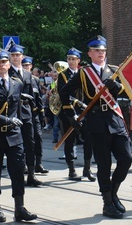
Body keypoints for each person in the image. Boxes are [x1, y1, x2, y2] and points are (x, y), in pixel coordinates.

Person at [59, 35, 132, 219]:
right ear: (89, 53)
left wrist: (117, 87)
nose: (101, 53)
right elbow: (64, 92)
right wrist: (71, 115)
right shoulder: (83, 74)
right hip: (96, 122)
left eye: (103, 50)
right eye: (97, 50)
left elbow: (129, 90)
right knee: (104, 165)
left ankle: (113, 192)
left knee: (126, 159)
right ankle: (107, 202)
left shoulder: (114, 71)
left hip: (115, 120)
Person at [0, 49, 37, 222]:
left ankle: (20, 207)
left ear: (9, 64)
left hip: (14, 136)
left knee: (17, 172)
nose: (2, 65)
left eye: (4, 62)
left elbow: (17, 108)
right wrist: (6, 120)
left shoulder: (16, 83)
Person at [56, 48, 95, 181]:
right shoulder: (63, 75)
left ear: (78, 60)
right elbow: (63, 93)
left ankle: (87, 169)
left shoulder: (84, 73)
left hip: (85, 112)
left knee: (88, 140)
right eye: (69, 59)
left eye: (73, 59)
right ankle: (71, 170)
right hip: (69, 112)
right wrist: (75, 107)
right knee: (70, 141)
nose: (71, 61)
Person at [7, 43, 42, 187]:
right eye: (13, 55)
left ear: (22, 56)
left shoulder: (28, 74)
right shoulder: (7, 73)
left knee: (30, 143)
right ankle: (18, 174)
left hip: (27, 113)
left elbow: (34, 96)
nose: (15, 58)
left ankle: (31, 175)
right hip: (13, 112)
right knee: (15, 145)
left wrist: (37, 113)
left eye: (18, 55)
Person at [21, 56, 49, 174]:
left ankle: (38, 163)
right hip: (23, 113)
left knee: (38, 138)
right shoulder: (18, 79)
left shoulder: (35, 80)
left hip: (35, 113)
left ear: (31, 66)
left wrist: (42, 114)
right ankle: (24, 164)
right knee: (25, 140)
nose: (26, 68)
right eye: (24, 66)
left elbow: (38, 99)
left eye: (28, 66)